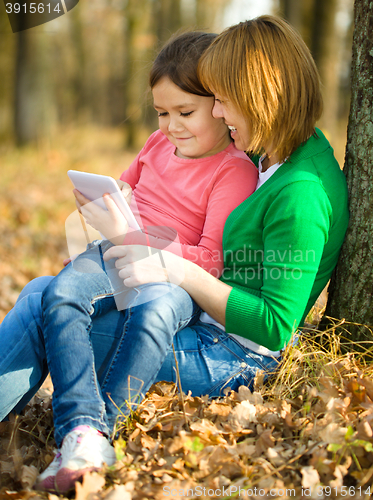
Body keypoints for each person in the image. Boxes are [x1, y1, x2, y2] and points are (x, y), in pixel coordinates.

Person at [0, 14, 349, 494]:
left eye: (224, 101)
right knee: (45, 292)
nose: (220, 115)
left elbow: (273, 324)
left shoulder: (301, 193)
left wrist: (171, 264)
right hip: (199, 319)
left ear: (260, 96)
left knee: (43, 305)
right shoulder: (273, 148)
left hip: (229, 351)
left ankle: (87, 432)